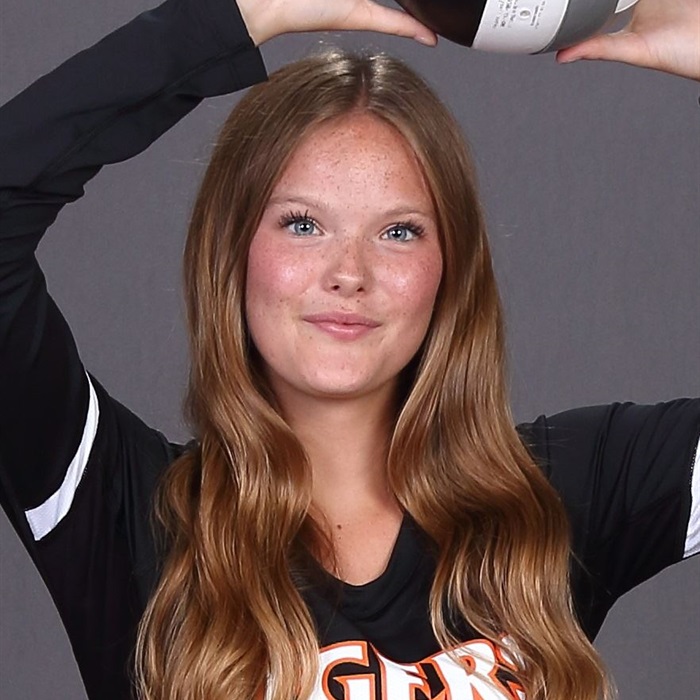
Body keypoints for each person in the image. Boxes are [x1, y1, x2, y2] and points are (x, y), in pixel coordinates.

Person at [0, 0, 698, 699]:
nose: (349, 273)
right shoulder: (130, 515)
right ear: (232, 250)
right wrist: (242, 15)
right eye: (303, 224)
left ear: (451, 268)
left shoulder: (553, 496)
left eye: (399, 232)